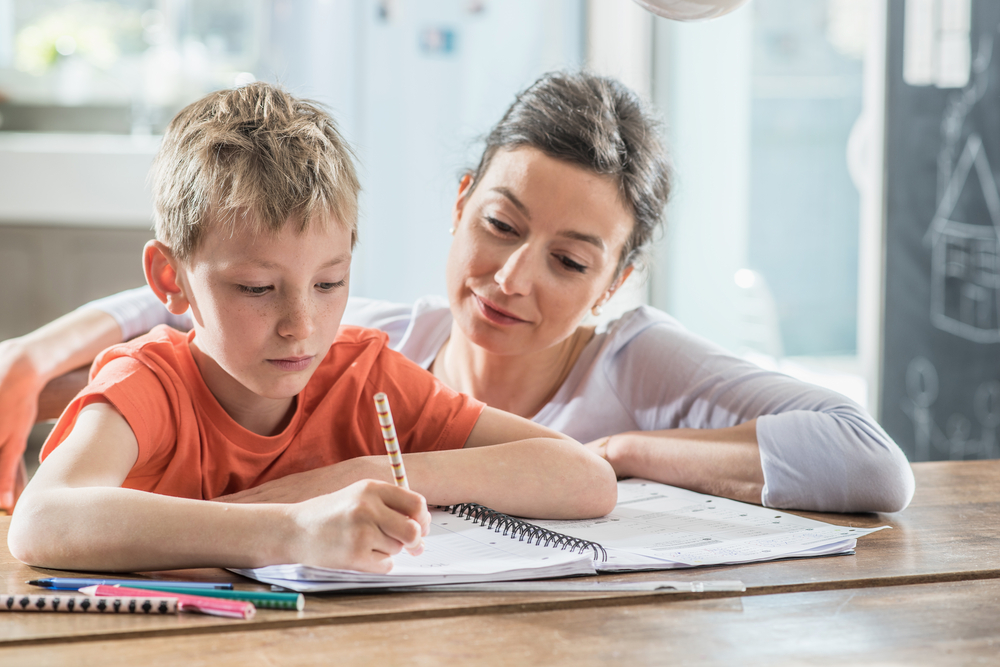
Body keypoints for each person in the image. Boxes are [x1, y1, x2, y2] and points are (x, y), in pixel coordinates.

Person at [0, 72, 913, 516]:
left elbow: (870, 459)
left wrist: (627, 447)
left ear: (618, 280)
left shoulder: (637, 357)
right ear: (459, 203)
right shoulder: (384, 340)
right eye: (501, 226)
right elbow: (209, 306)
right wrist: (40, 351)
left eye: (570, 260)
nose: (511, 280)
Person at [6, 82, 617, 573]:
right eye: (256, 289)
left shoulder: (366, 378)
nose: (301, 326)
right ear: (172, 279)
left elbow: (586, 479)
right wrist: (294, 527)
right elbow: (41, 524)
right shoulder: (149, 385)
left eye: (329, 285)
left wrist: (361, 474)